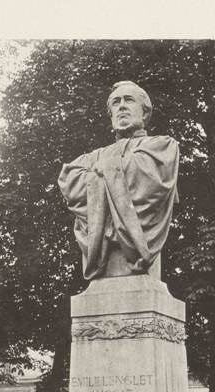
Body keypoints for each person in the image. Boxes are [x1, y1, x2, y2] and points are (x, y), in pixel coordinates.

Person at [58, 80, 179, 280]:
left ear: (145, 112)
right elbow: (70, 181)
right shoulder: (94, 155)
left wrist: (100, 173)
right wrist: (113, 173)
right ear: (111, 114)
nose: (121, 106)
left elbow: (145, 178)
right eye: (116, 102)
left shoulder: (162, 147)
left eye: (128, 100)